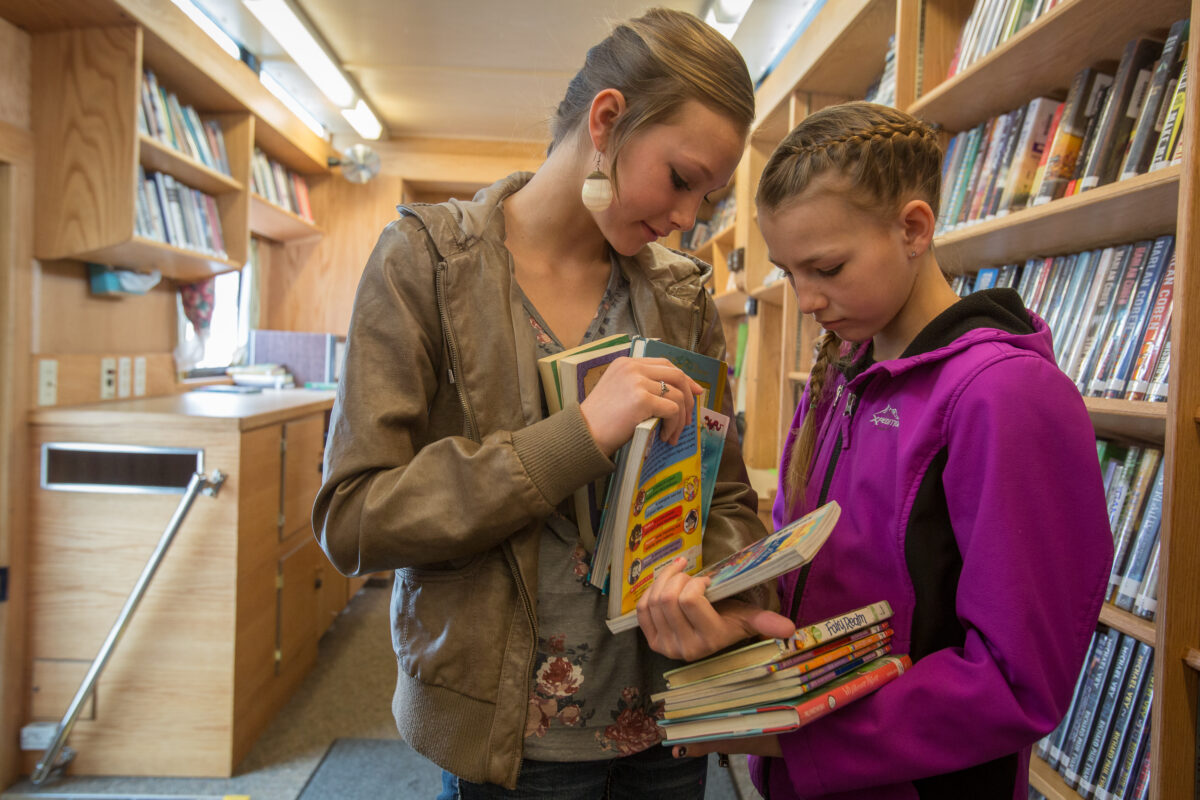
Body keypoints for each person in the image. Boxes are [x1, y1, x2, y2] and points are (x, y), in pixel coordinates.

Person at [312, 9, 793, 798]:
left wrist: (717, 585)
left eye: (705, 198)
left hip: (671, 725)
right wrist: (573, 438)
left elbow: (726, 498)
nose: (684, 219)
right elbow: (354, 518)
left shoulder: (681, 296)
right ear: (607, 121)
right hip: (515, 750)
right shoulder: (427, 264)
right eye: (678, 179)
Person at [645, 101, 1114, 798]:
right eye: (788, 271)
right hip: (810, 771)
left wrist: (790, 728)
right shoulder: (843, 370)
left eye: (827, 267)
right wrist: (738, 630)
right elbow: (805, 558)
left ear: (913, 229)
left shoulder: (1007, 397)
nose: (805, 300)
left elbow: (1018, 679)